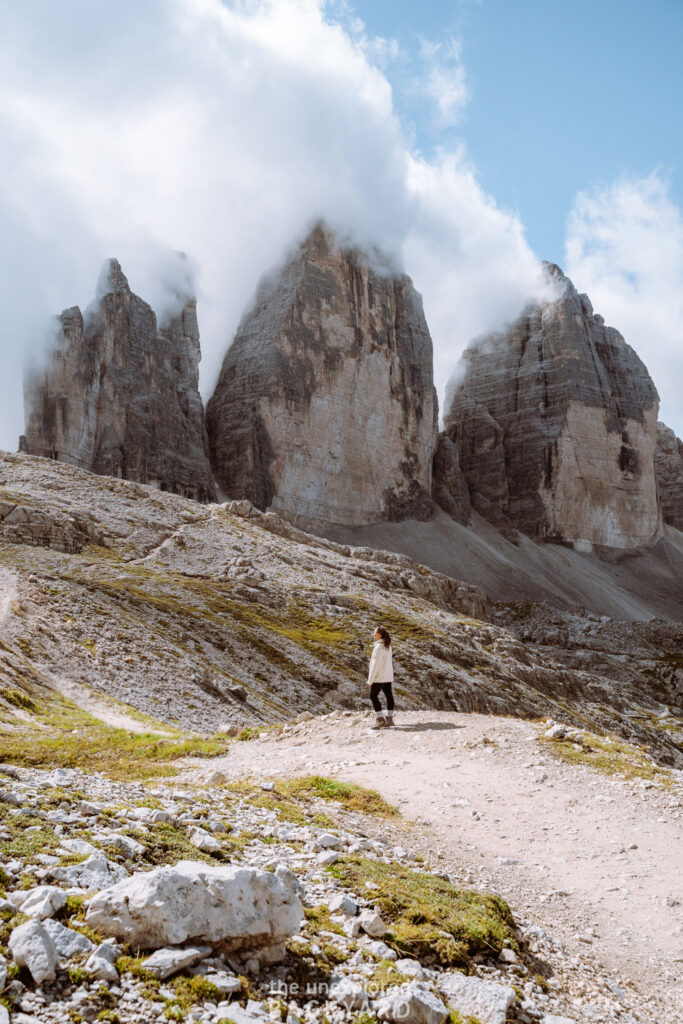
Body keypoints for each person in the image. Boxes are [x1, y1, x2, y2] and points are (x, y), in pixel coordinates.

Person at [367, 625, 394, 729]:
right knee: (389, 695)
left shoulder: (378, 647)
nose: (373, 634)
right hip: (387, 675)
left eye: (374, 632)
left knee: (373, 696)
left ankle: (380, 719)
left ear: (379, 635)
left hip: (379, 676)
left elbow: (375, 665)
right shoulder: (388, 646)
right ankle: (389, 719)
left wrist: (370, 680)